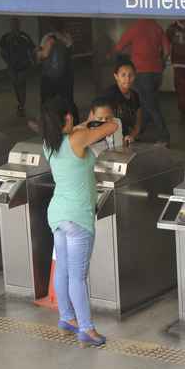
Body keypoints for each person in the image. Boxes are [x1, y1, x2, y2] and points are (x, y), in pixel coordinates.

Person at [40, 96, 119, 347]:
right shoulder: (77, 139)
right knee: (78, 277)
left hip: (58, 214)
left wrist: (84, 122)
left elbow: (76, 131)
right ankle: (86, 328)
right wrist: (103, 120)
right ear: (67, 118)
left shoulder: (49, 143)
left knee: (63, 269)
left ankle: (66, 318)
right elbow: (113, 127)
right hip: (78, 217)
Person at [113, 19, 171, 144]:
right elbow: (167, 50)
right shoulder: (157, 27)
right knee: (146, 104)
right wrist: (162, 63)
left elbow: (118, 47)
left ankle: (164, 136)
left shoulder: (135, 27)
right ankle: (138, 132)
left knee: (151, 105)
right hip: (157, 73)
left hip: (141, 73)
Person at [0, 18, 36, 117]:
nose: (15, 25)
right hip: (12, 66)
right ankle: (20, 103)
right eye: (13, 24)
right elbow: (2, 51)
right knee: (16, 85)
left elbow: (32, 49)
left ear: (19, 25)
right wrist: (7, 62)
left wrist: (32, 61)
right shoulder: (5, 37)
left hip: (23, 65)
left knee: (21, 84)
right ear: (11, 25)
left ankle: (22, 106)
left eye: (17, 24)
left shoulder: (24, 36)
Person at [104, 59, 144, 146]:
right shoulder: (109, 95)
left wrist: (131, 136)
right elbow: (98, 121)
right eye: (123, 75)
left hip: (127, 139)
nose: (128, 79)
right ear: (116, 76)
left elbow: (138, 124)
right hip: (110, 140)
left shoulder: (135, 96)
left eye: (131, 75)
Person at [36, 20, 74, 108]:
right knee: (47, 102)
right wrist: (40, 53)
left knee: (65, 102)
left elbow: (70, 45)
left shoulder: (66, 37)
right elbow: (41, 56)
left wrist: (57, 35)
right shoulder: (47, 37)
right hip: (49, 77)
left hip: (63, 77)